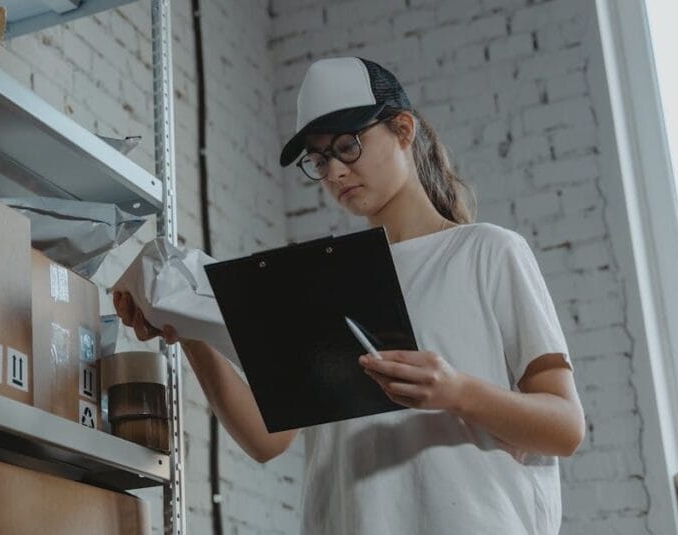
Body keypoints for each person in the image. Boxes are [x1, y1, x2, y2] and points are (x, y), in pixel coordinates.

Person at [113, 57, 584, 535]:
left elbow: (565, 426)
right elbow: (267, 441)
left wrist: (457, 392)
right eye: (319, 159)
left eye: (347, 146)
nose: (335, 171)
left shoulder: (485, 251)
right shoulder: (316, 280)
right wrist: (188, 328)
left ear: (403, 130)